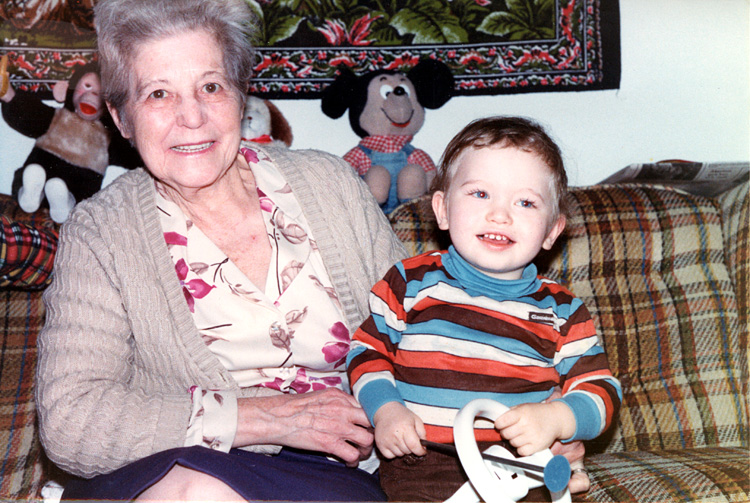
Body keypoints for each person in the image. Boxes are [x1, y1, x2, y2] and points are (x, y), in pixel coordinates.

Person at [34, 0, 408, 500]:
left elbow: (425, 333)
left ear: (239, 95)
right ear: (121, 118)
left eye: (211, 87)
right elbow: (71, 421)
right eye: (158, 94)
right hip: (171, 470)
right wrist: (262, 418)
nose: (192, 117)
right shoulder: (101, 232)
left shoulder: (331, 183)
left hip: (334, 477)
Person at [346, 116, 622, 501]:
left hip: (522, 466)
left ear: (551, 231)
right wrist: (386, 409)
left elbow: (601, 390)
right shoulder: (409, 282)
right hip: (427, 461)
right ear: (442, 209)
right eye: (480, 194)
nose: (500, 214)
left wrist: (557, 418)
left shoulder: (563, 310)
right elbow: (367, 351)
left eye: (525, 202)